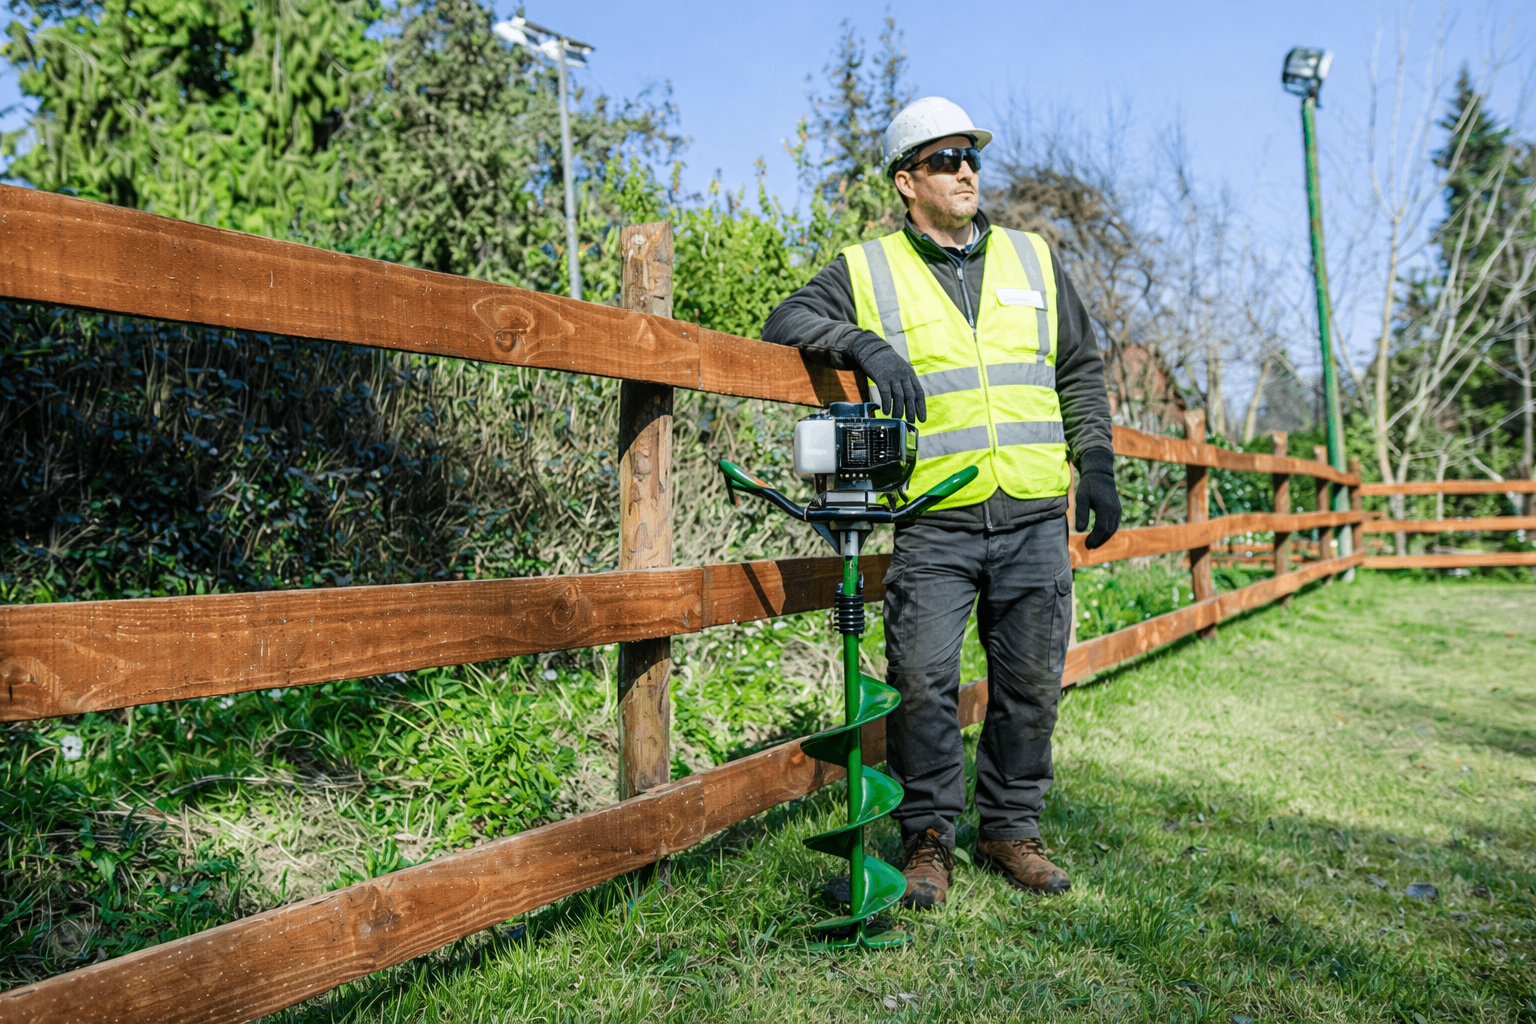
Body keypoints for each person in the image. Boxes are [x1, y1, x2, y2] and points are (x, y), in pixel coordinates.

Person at [762, 97, 1121, 908]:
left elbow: (1078, 367)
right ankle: (927, 839)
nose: (965, 172)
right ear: (906, 181)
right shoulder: (868, 269)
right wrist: (864, 344)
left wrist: (1096, 462)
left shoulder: (1033, 257)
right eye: (945, 160)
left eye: (972, 157)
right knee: (922, 682)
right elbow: (786, 319)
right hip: (934, 516)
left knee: (1031, 685)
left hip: (1033, 511)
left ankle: (1011, 830)